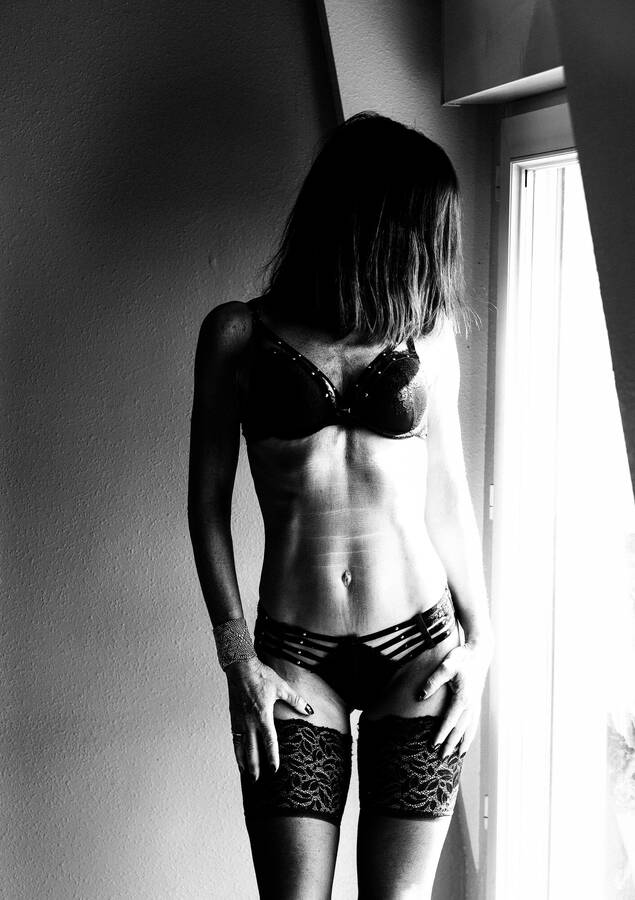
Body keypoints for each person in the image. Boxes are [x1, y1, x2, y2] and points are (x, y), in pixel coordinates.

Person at [187, 111, 494, 900]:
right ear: (373, 221)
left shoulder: (430, 341)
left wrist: (483, 644)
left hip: (420, 648)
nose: (434, 252)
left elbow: (448, 497)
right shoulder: (236, 334)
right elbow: (206, 506)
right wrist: (235, 657)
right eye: (426, 228)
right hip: (293, 660)